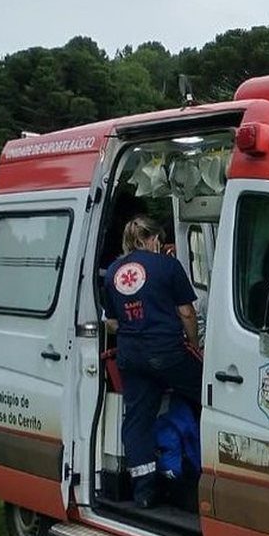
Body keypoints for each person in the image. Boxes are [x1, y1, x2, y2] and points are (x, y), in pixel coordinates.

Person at [103, 215, 203, 508]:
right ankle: (198, 472)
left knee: (137, 421)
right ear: (154, 240)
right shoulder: (168, 265)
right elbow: (186, 312)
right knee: (212, 398)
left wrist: (135, 328)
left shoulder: (112, 272)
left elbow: (111, 322)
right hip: (168, 353)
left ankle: (144, 492)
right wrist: (195, 345)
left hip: (131, 356)